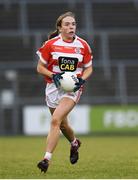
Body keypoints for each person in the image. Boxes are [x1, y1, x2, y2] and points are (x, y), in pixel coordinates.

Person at [36, 11, 93, 173]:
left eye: (73, 24)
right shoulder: (51, 44)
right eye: (67, 24)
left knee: (55, 120)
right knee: (62, 124)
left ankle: (46, 159)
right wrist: (53, 75)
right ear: (60, 28)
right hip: (53, 88)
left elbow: (89, 68)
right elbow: (40, 68)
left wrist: (82, 80)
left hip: (72, 89)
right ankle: (74, 143)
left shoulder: (83, 45)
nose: (71, 27)